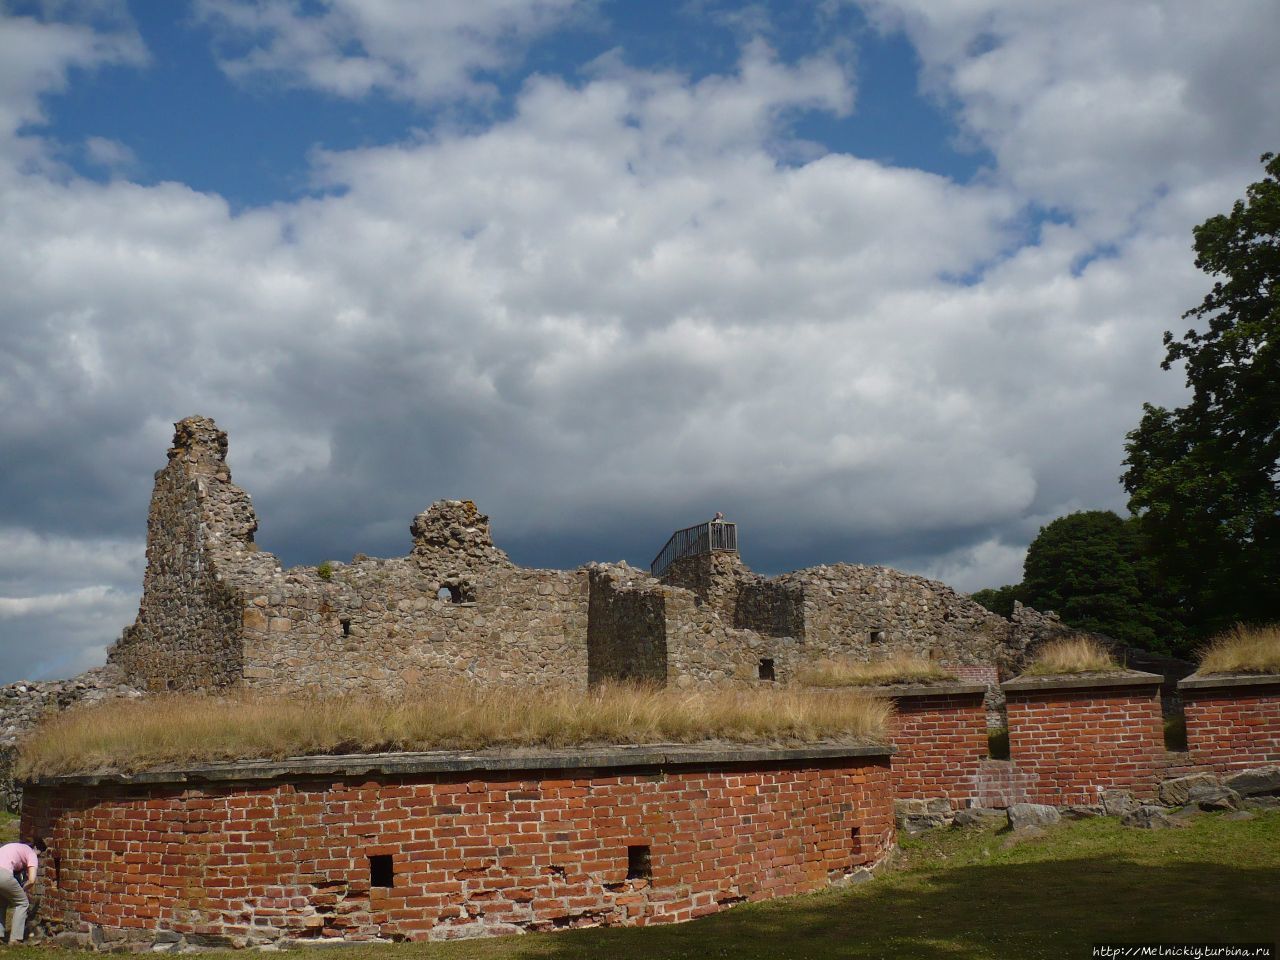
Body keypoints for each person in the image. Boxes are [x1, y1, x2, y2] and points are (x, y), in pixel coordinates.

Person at [0, 839, 43, 943]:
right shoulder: (31, 853)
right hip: (3, 873)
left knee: (1, 903)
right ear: (36, 848)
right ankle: (15, 939)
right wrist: (22, 889)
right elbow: (32, 880)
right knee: (22, 903)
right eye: (40, 854)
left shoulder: (15, 846)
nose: (38, 857)